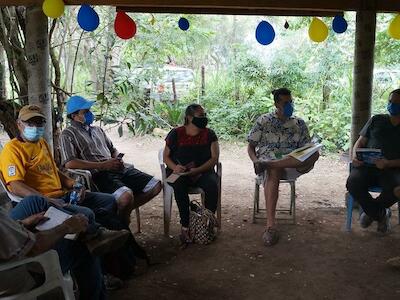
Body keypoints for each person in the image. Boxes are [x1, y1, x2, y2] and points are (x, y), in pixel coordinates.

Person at [60, 96, 162, 225]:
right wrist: (103, 165)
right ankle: (123, 223)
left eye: (89, 110)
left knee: (156, 185)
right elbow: (70, 163)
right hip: (99, 173)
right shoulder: (68, 134)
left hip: (117, 168)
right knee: (126, 196)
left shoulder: (97, 130)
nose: (90, 114)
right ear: (74, 115)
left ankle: (121, 213)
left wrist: (117, 158)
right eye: (85, 112)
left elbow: (113, 149)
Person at [247, 88, 319, 247]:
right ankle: (271, 226)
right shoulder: (263, 121)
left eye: (291, 102)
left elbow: (305, 150)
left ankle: (271, 164)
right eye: (285, 103)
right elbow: (251, 147)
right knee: (274, 170)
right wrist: (255, 160)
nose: (289, 105)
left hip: (293, 163)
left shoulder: (299, 123)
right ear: (276, 104)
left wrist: (312, 148)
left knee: (315, 154)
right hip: (270, 165)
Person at [0, 202, 107, 299]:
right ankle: (97, 234)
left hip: (7, 276)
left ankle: (97, 234)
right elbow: (35, 247)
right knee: (84, 244)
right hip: (20, 276)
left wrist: (23, 223)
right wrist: (66, 227)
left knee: (34, 201)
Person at [163, 104, 219, 244]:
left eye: (205, 115)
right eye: (201, 116)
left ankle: (207, 222)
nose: (204, 118)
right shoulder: (175, 133)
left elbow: (214, 158)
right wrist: (175, 167)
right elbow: (166, 157)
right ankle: (186, 225)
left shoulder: (209, 134)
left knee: (212, 185)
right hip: (179, 172)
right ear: (189, 118)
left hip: (202, 171)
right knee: (178, 185)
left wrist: (198, 170)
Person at [346, 89, 400, 233]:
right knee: (353, 183)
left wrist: (388, 163)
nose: (392, 105)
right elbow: (360, 141)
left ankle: (371, 213)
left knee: (398, 189)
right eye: (390, 102)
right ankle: (381, 214)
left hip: (392, 169)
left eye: (397, 103)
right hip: (367, 166)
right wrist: (354, 155)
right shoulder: (377, 119)